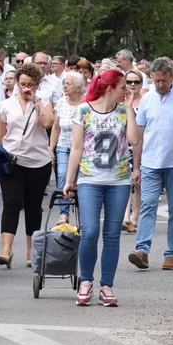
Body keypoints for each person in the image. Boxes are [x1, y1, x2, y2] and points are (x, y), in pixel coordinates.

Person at [63, 69, 140, 307]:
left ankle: (107, 286)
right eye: (122, 87)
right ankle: (86, 281)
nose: (126, 90)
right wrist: (69, 179)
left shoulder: (123, 111)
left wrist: (128, 108)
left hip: (119, 181)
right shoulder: (84, 110)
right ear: (110, 89)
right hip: (89, 179)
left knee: (111, 235)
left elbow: (135, 140)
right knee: (90, 231)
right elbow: (76, 148)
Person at [129, 57, 173, 271]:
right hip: (150, 161)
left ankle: (172, 253)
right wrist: (136, 167)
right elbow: (140, 135)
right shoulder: (147, 100)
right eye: (156, 81)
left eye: (163, 81)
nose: (160, 85)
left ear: (172, 77)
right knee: (147, 205)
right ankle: (142, 250)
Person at [0, 63, 54, 268]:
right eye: (22, 84)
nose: (25, 88)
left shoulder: (43, 101)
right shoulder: (6, 105)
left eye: (30, 84)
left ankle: (31, 251)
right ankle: (6, 250)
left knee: (33, 206)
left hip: (38, 162)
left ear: (37, 85)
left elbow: (47, 123)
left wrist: (35, 100)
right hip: (12, 162)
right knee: (11, 204)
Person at [50, 71, 88, 223]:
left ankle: (85, 213)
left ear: (79, 88)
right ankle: (64, 213)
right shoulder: (61, 102)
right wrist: (51, 148)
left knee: (83, 181)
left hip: (84, 148)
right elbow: (55, 127)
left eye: (69, 83)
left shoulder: (86, 104)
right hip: (64, 146)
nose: (65, 86)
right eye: (64, 83)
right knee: (63, 176)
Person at [121, 69, 147, 233]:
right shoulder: (120, 102)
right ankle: (125, 217)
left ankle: (135, 217)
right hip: (123, 147)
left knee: (138, 184)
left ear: (141, 84)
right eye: (129, 82)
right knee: (124, 182)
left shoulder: (145, 101)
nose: (132, 85)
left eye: (136, 82)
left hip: (142, 147)